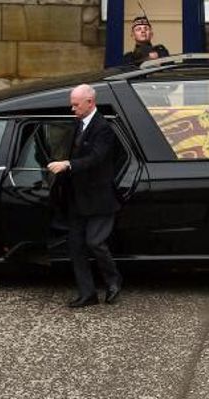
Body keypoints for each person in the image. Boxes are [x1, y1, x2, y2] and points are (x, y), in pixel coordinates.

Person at [47, 84, 122, 308]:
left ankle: (113, 281)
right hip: (77, 199)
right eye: (72, 104)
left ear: (90, 102)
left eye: (76, 105)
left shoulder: (103, 128)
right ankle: (87, 293)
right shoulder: (77, 124)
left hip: (99, 198)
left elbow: (96, 158)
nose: (72, 108)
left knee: (95, 242)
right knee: (75, 247)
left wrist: (68, 164)